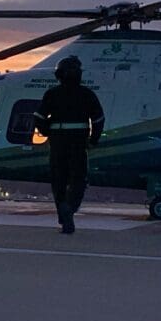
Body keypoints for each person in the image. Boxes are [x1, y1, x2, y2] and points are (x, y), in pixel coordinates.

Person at [33, 56, 105, 234]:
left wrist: (47, 131)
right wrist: (94, 139)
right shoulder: (86, 94)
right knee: (78, 179)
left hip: (58, 142)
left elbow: (39, 117)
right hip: (79, 142)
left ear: (59, 75)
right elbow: (98, 119)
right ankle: (70, 209)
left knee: (59, 180)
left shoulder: (52, 94)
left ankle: (63, 215)